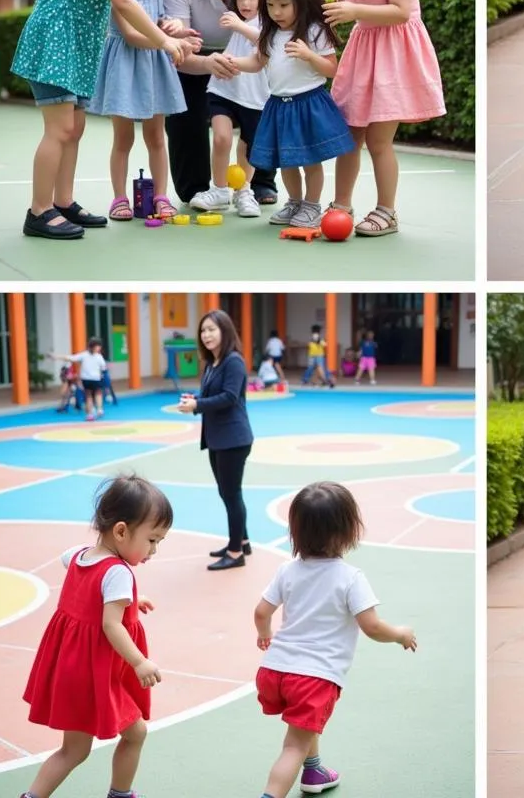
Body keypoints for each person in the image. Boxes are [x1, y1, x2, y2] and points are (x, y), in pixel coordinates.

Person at [11, 0, 189, 240]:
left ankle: (63, 201)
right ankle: (39, 210)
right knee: (59, 130)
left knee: (74, 128)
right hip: (55, 45)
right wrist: (164, 40)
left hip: (71, 47)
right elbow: (123, 1)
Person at [254, 481, 416, 798]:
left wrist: (264, 635)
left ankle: (314, 770)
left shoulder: (287, 570)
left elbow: (261, 612)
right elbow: (372, 627)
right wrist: (400, 634)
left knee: (303, 726)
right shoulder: (350, 578)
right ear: (348, 530)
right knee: (293, 745)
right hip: (314, 677)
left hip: (274, 671)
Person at [18, 473, 172, 798]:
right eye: (152, 540)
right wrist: (139, 661)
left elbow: (90, 590)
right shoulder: (117, 572)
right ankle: (120, 793)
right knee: (136, 733)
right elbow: (110, 625)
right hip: (96, 674)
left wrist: (130, 601)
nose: (154, 550)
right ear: (121, 531)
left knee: (72, 751)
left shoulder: (77, 554)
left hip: (71, 668)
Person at [312, 0, 445, 238]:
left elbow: (402, 11)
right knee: (349, 137)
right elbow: (351, 10)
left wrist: (356, 12)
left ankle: (387, 210)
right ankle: (341, 204)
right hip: (363, 59)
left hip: (392, 61)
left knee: (379, 140)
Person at [159, 0, 279, 205]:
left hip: (254, 57)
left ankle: (259, 182)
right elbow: (179, 52)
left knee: (264, 111)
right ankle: (200, 186)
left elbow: (275, 32)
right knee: (184, 112)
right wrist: (209, 63)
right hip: (198, 61)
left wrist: (250, 60)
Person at [224, 0, 354, 230]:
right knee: (287, 163)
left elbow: (332, 69)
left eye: (283, 5)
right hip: (278, 106)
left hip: (308, 104)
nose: (276, 12)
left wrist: (308, 55)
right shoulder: (269, 34)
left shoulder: (315, 31)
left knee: (310, 162)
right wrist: (234, 64)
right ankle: (294, 201)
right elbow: (258, 62)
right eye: (270, 5)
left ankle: (312, 205)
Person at [88, 0, 199, 222]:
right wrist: (165, 42)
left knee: (157, 137)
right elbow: (132, 36)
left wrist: (176, 29)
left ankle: (162, 196)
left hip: (154, 70)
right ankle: (119, 198)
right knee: (123, 139)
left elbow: (161, 23)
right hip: (125, 67)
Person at [178, 309, 254, 570]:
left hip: (233, 438)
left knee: (231, 494)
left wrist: (197, 405)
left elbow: (230, 397)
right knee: (228, 492)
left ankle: (235, 554)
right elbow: (212, 393)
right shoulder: (212, 363)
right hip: (218, 439)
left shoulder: (233, 361)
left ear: (225, 330)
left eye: (212, 329)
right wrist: (195, 399)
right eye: (203, 330)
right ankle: (241, 541)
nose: (206, 335)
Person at [193, 0, 269, 217]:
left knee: (248, 148)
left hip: (256, 97)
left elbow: (265, 43)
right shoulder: (238, 20)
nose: (245, 3)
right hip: (223, 89)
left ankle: (244, 191)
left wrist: (239, 25)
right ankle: (219, 190)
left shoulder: (267, 22)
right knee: (221, 139)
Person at [49, 338, 108, 421]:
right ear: (94, 347)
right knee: (95, 394)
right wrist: (102, 374)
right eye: (98, 346)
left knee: (90, 396)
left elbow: (71, 358)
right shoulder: (98, 357)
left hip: (88, 379)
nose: (99, 348)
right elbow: (104, 367)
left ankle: (92, 413)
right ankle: (97, 410)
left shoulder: (85, 355)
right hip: (94, 379)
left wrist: (56, 357)